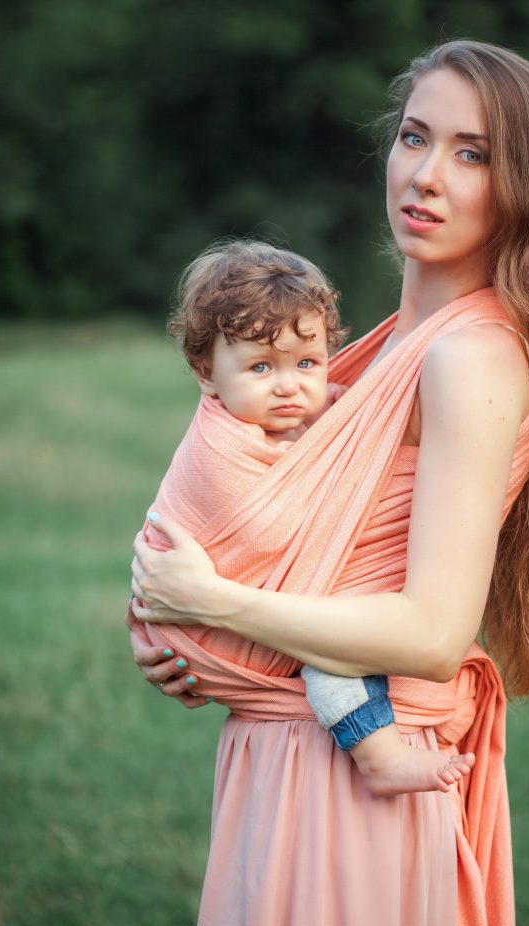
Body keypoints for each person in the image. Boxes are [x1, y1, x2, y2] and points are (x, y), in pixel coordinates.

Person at [127, 40, 529, 926]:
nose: (424, 174)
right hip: (288, 760)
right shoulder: (379, 344)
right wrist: (186, 637)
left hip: (357, 782)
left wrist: (210, 606)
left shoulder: (469, 358)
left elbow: (431, 631)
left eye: (470, 153)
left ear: (523, 187)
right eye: (413, 137)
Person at [140, 238, 475, 796]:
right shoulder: (219, 447)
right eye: (261, 366)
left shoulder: (315, 409)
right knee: (334, 639)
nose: (289, 384)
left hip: (213, 607)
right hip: (206, 619)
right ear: (206, 372)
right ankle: (378, 753)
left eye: (306, 363)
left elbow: (353, 414)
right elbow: (268, 532)